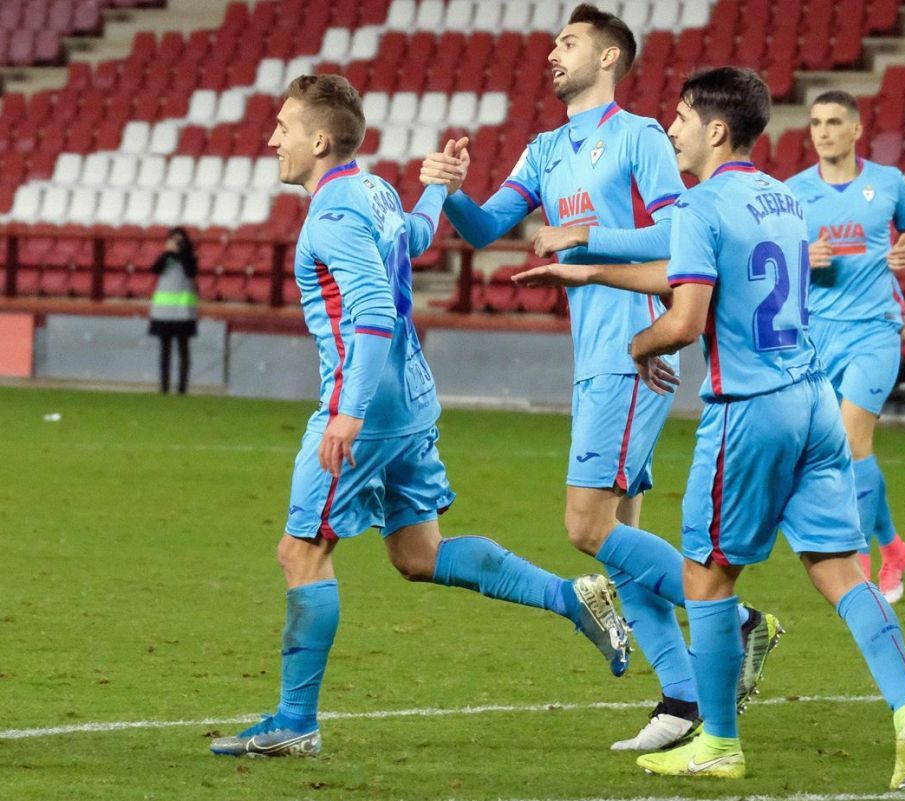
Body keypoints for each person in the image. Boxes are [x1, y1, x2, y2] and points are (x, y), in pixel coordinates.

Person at [514, 66, 905, 789]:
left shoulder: (703, 204)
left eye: (680, 117)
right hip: (813, 402)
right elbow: (705, 273)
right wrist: (589, 274)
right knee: (840, 571)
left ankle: (718, 741)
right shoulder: (785, 197)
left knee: (707, 582)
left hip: (748, 408)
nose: (672, 128)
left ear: (714, 128)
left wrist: (636, 347)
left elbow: (686, 316)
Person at [208, 74, 635, 758]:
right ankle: (571, 597)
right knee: (417, 552)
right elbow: (412, 234)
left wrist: (346, 414)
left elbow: (374, 311)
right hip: (411, 400)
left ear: (319, 140)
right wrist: (439, 186)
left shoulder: (333, 215)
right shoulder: (373, 190)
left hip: (367, 406)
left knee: (301, 550)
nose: (272, 138)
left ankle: (295, 720)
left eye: (283, 126)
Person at [420, 3, 782, 751]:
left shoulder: (642, 137)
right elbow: (489, 228)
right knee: (619, 540)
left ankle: (737, 618)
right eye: (554, 41)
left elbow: (683, 229)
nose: (553, 53)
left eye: (570, 42)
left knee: (586, 527)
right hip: (595, 354)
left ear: (611, 56)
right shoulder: (546, 148)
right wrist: (450, 187)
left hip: (635, 348)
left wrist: (587, 237)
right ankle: (682, 701)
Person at [785, 90, 905, 603]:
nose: (822, 131)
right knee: (842, 447)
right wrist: (804, 257)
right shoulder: (794, 192)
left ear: (856, 130)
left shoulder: (888, 184)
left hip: (875, 329)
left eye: (833, 122)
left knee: (851, 442)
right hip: (819, 333)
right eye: (816, 122)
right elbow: (777, 257)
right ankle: (894, 548)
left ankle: (861, 565)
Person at [148, 227, 198, 394]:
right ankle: (164, 386)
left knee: (183, 349)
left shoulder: (190, 258)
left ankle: (182, 387)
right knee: (165, 350)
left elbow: (190, 271)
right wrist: (167, 253)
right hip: (164, 312)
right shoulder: (165, 258)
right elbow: (154, 269)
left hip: (183, 312)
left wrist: (179, 253)